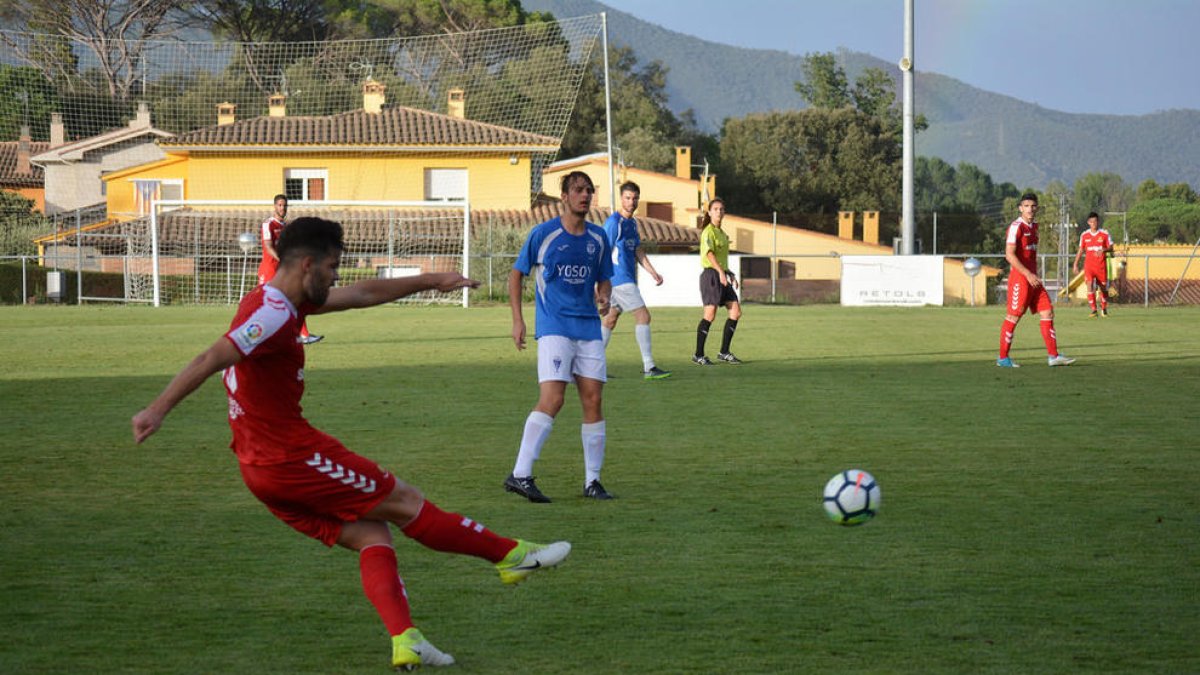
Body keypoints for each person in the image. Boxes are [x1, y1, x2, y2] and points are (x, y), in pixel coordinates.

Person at [131, 217, 571, 670]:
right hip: (290, 457)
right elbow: (213, 356)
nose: (338, 275)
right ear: (308, 265)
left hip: (258, 468)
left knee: (370, 533)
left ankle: (406, 639)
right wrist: (157, 409)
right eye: (333, 266)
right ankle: (512, 556)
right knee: (404, 501)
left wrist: (431, 281)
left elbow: (361, 295)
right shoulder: (274, 313)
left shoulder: (278, 299)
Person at [505, 171, 615, 503]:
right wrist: (518, 320)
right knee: (553, 399)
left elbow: (604, 278)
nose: (584, 195)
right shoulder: (544, 234)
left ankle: (592, 482)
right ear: (564, 197)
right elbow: (516, 274)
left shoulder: (598, 238)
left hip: (588, 329)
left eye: (589, 191)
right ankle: (520, 474)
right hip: (554, 327)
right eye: (578, 190)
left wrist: (604, 296)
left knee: (593, 401)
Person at [997, 193, 1076, 368]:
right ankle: (1003, 358)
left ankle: (1053, 356)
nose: (1030, 209)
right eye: (1026, 206)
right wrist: (1027, 274)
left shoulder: (1034, 227)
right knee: (1013, 316)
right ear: (1020, 208)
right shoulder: (1016, 227)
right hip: (1021, 279)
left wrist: (1033, 274)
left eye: (1033, 206)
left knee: (1047, 311)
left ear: (1037, 208)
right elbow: (1009, 255)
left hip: (1033, 279)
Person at [602, 181, 670, 380]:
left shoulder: (632, 223)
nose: (631, 202)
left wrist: (652, 272)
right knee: (643, 317)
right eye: (627, 198)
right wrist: (599, 282)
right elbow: (602, 251)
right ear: (621, 199)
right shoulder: (614, 223)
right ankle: (649, 366)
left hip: (620, 281)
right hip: (619, 280)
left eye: (635, 198)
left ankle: (591, 367)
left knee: (609, 320)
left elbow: (637, 250)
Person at [259, 194, 323, 345]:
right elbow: (268, 247)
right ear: (275, 206)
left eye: (284, 205)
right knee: (265, 304)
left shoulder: (285, 227)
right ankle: (259, 336)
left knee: (296, 299)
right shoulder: (268, 224)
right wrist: (282, 259)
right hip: (270, 270)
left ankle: (303, 335)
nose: (282, 208)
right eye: (280, 205)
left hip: (284, 270)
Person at [692, 197, 743, 365]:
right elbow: (709, 254)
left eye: (721, 209)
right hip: (711, 276)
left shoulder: (722, 233)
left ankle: (724, 351)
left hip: (721, 274)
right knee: (710, 315)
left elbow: (721, 258)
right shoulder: (709, 231)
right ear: (709, 212)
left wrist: (729, 273)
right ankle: (698, 355)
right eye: (715, 209)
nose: (719, 212)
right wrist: (721, 273)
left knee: (735, 311)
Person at [1072, 211, 1114, 317]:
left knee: (1103, 288)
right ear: (1088, 222)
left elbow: (1111, 247)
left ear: (1098, 222)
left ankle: (1104, 309)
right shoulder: (1084, 235)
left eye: (1095, 221)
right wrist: (1075, 264)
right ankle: (1094, 310)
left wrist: (1103, 250)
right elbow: (1081, 250)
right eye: (1091, 222)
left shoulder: (1104, 234)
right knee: (1089, 285)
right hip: (1089, 266)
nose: (1093, 223)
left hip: (1101, 266)